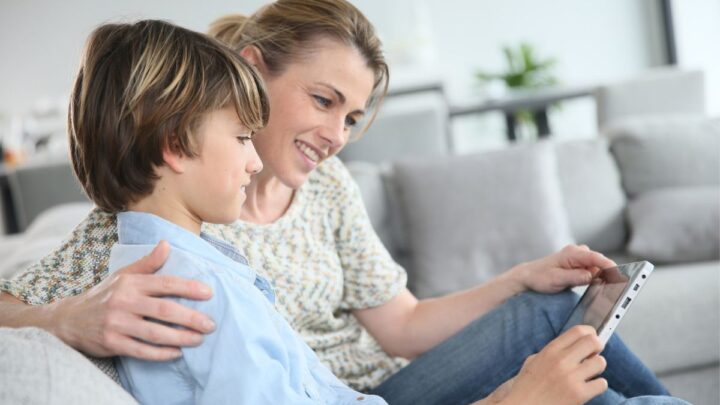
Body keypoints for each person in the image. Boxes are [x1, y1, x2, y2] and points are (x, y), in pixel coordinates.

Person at [0, 1, 689, 404]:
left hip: (365, 387)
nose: (336, 135)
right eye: (323, 100)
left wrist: (521, 275)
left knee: (564, 332)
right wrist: (64, 317)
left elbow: (403, 322)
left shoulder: (319, 190)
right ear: (250, 69)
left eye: (353, 116)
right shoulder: (153, 244)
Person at [63, 18, 389, 404]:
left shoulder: (145, 263)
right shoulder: (200, 287)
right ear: (176, 144)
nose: (254, 162)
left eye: (351, 120)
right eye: (242, 138)